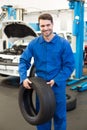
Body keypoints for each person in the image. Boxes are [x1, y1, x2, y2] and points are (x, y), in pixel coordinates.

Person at [18, 13, 75, 130]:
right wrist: (23, 77)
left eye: (48, 25)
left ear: (52, 25)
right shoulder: (34, 44)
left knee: (59, 117)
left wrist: (57, 79)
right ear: (39, 26)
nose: (45, 28)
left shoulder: (63, 44)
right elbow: (24, 60)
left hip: (57, 86)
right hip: (41, 87)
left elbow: (69, 66)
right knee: (43, 118)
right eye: (42, 26)